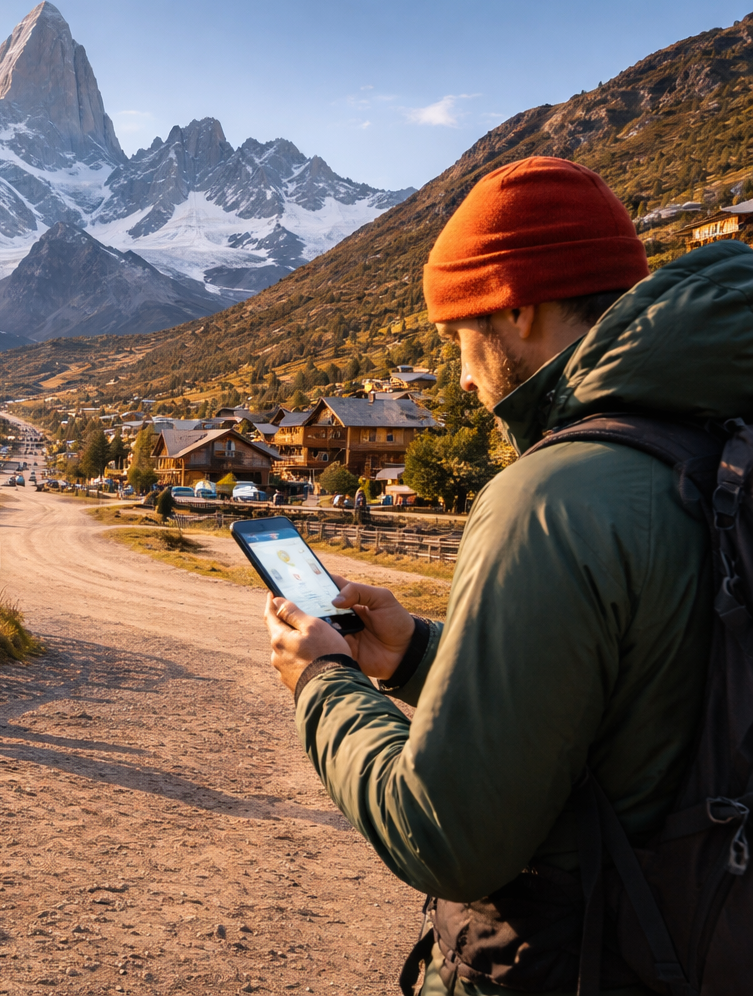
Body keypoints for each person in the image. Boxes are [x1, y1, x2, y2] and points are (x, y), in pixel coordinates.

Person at [263, 156, 753, 995]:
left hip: (585, 962)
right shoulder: (715, 446)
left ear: (518, 306)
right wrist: (419, 652)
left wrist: (324, 681)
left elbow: (445, 837)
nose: (459, 374)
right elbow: (659, 685)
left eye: (461, 335)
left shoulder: (551, 494)